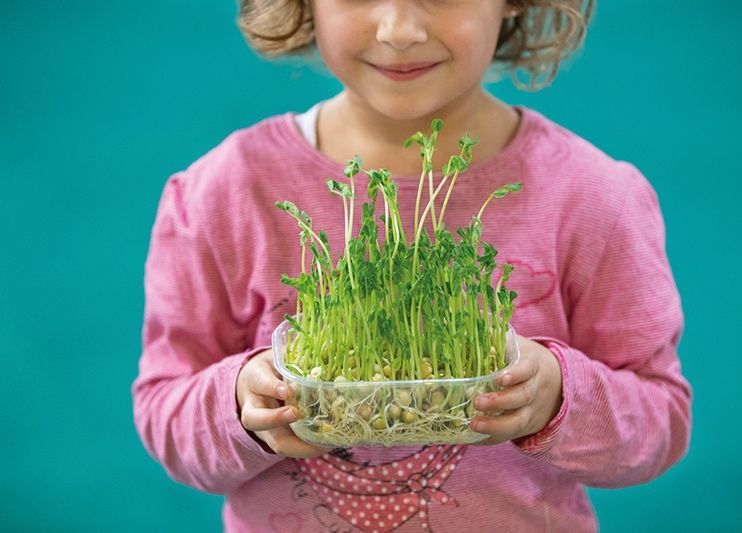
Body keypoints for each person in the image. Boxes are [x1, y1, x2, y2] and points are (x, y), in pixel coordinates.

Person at [132, 1, 692, 531]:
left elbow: (660, 421)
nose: (399, 30)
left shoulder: (592, 197)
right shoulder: (223, 193)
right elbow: (164, 415)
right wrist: (241, 404)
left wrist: (556, 397)